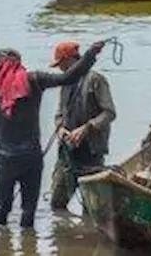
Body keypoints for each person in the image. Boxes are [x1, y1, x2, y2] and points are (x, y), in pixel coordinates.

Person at [0, 40, 104, 228]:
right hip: (32, 157)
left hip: (6, 159)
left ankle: (0, 245)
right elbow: (68, 78)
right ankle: (29, 246)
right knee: (28, 210)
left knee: (3, 207)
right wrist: (91, 54)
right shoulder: (34, 80)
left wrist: (6, 144)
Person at [49, 41, 116, 211]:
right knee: (57, 203)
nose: (59, 69)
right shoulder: (64, 82)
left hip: (92, 151)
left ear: (70, 60)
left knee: (91, 208)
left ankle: (88, 235)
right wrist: (60, 128)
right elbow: (59, 113)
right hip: (68, 152)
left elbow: (109, 113)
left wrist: (87, 128)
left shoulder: (96, 80)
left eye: (61, 64)